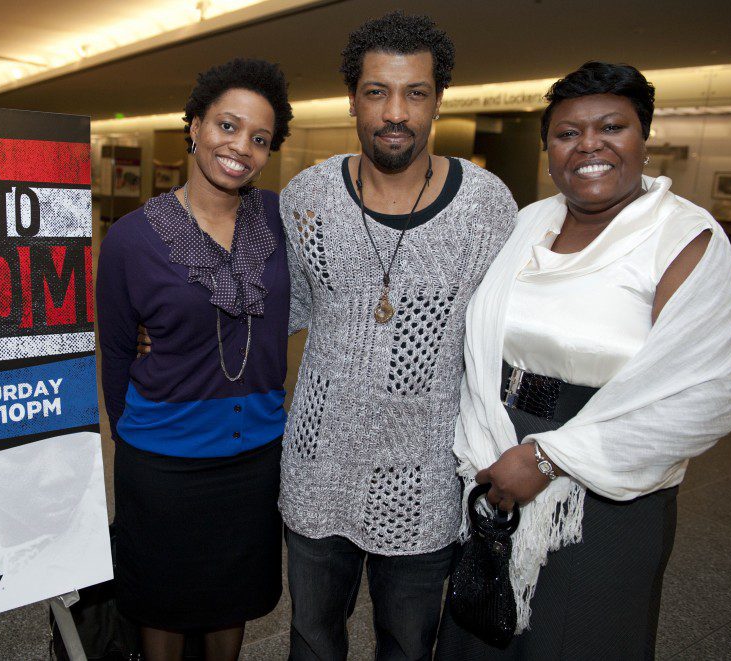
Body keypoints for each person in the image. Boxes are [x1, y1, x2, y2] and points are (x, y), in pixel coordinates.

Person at [440, 62, 731, 659]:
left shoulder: (686, 239)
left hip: (604, 491)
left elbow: (705, 400)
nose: (589, 146)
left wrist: (548, 459)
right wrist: (494, 449)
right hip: (493, 454)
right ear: (549, 149)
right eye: (566, 133)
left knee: (576, 638)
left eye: (612, 127)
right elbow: (477, 344)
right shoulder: (528, 223)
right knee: (480, 633)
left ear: (643, 138)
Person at [279, 12, 517, 660]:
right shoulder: (307, 198)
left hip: (424, 479)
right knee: (310, 639)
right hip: (316, 468)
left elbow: (507, 337)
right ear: (352, 98)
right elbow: (279, 312)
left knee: (410, 647)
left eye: (415, 93)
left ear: (438, 101)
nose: (395, 112)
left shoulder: (487, 208)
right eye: (378, 91)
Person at [96, 58, 293, 661]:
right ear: (194, 126)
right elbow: (117, 356)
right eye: (227, 127)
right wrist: (132, 441)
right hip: (163, 463)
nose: (241, 148)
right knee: (163, 604)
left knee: (230, 601)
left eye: (259, 139)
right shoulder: (132, 238)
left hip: (256, 456)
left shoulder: (283, 221)